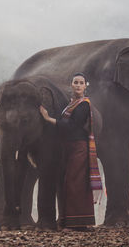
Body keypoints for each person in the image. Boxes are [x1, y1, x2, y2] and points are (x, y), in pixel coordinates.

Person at [39, 72, 102, 230]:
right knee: (71, 183)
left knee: (75, 183)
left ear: (85, 86)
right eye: (76, 82)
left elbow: (72, 126)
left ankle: (78, 224)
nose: (78, 85)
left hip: (78, 147)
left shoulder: (83, 104)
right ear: (71, 85)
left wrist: (48, 119)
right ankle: (73, 221)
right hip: (69, 147)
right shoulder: (71, 104)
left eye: (81, 82)